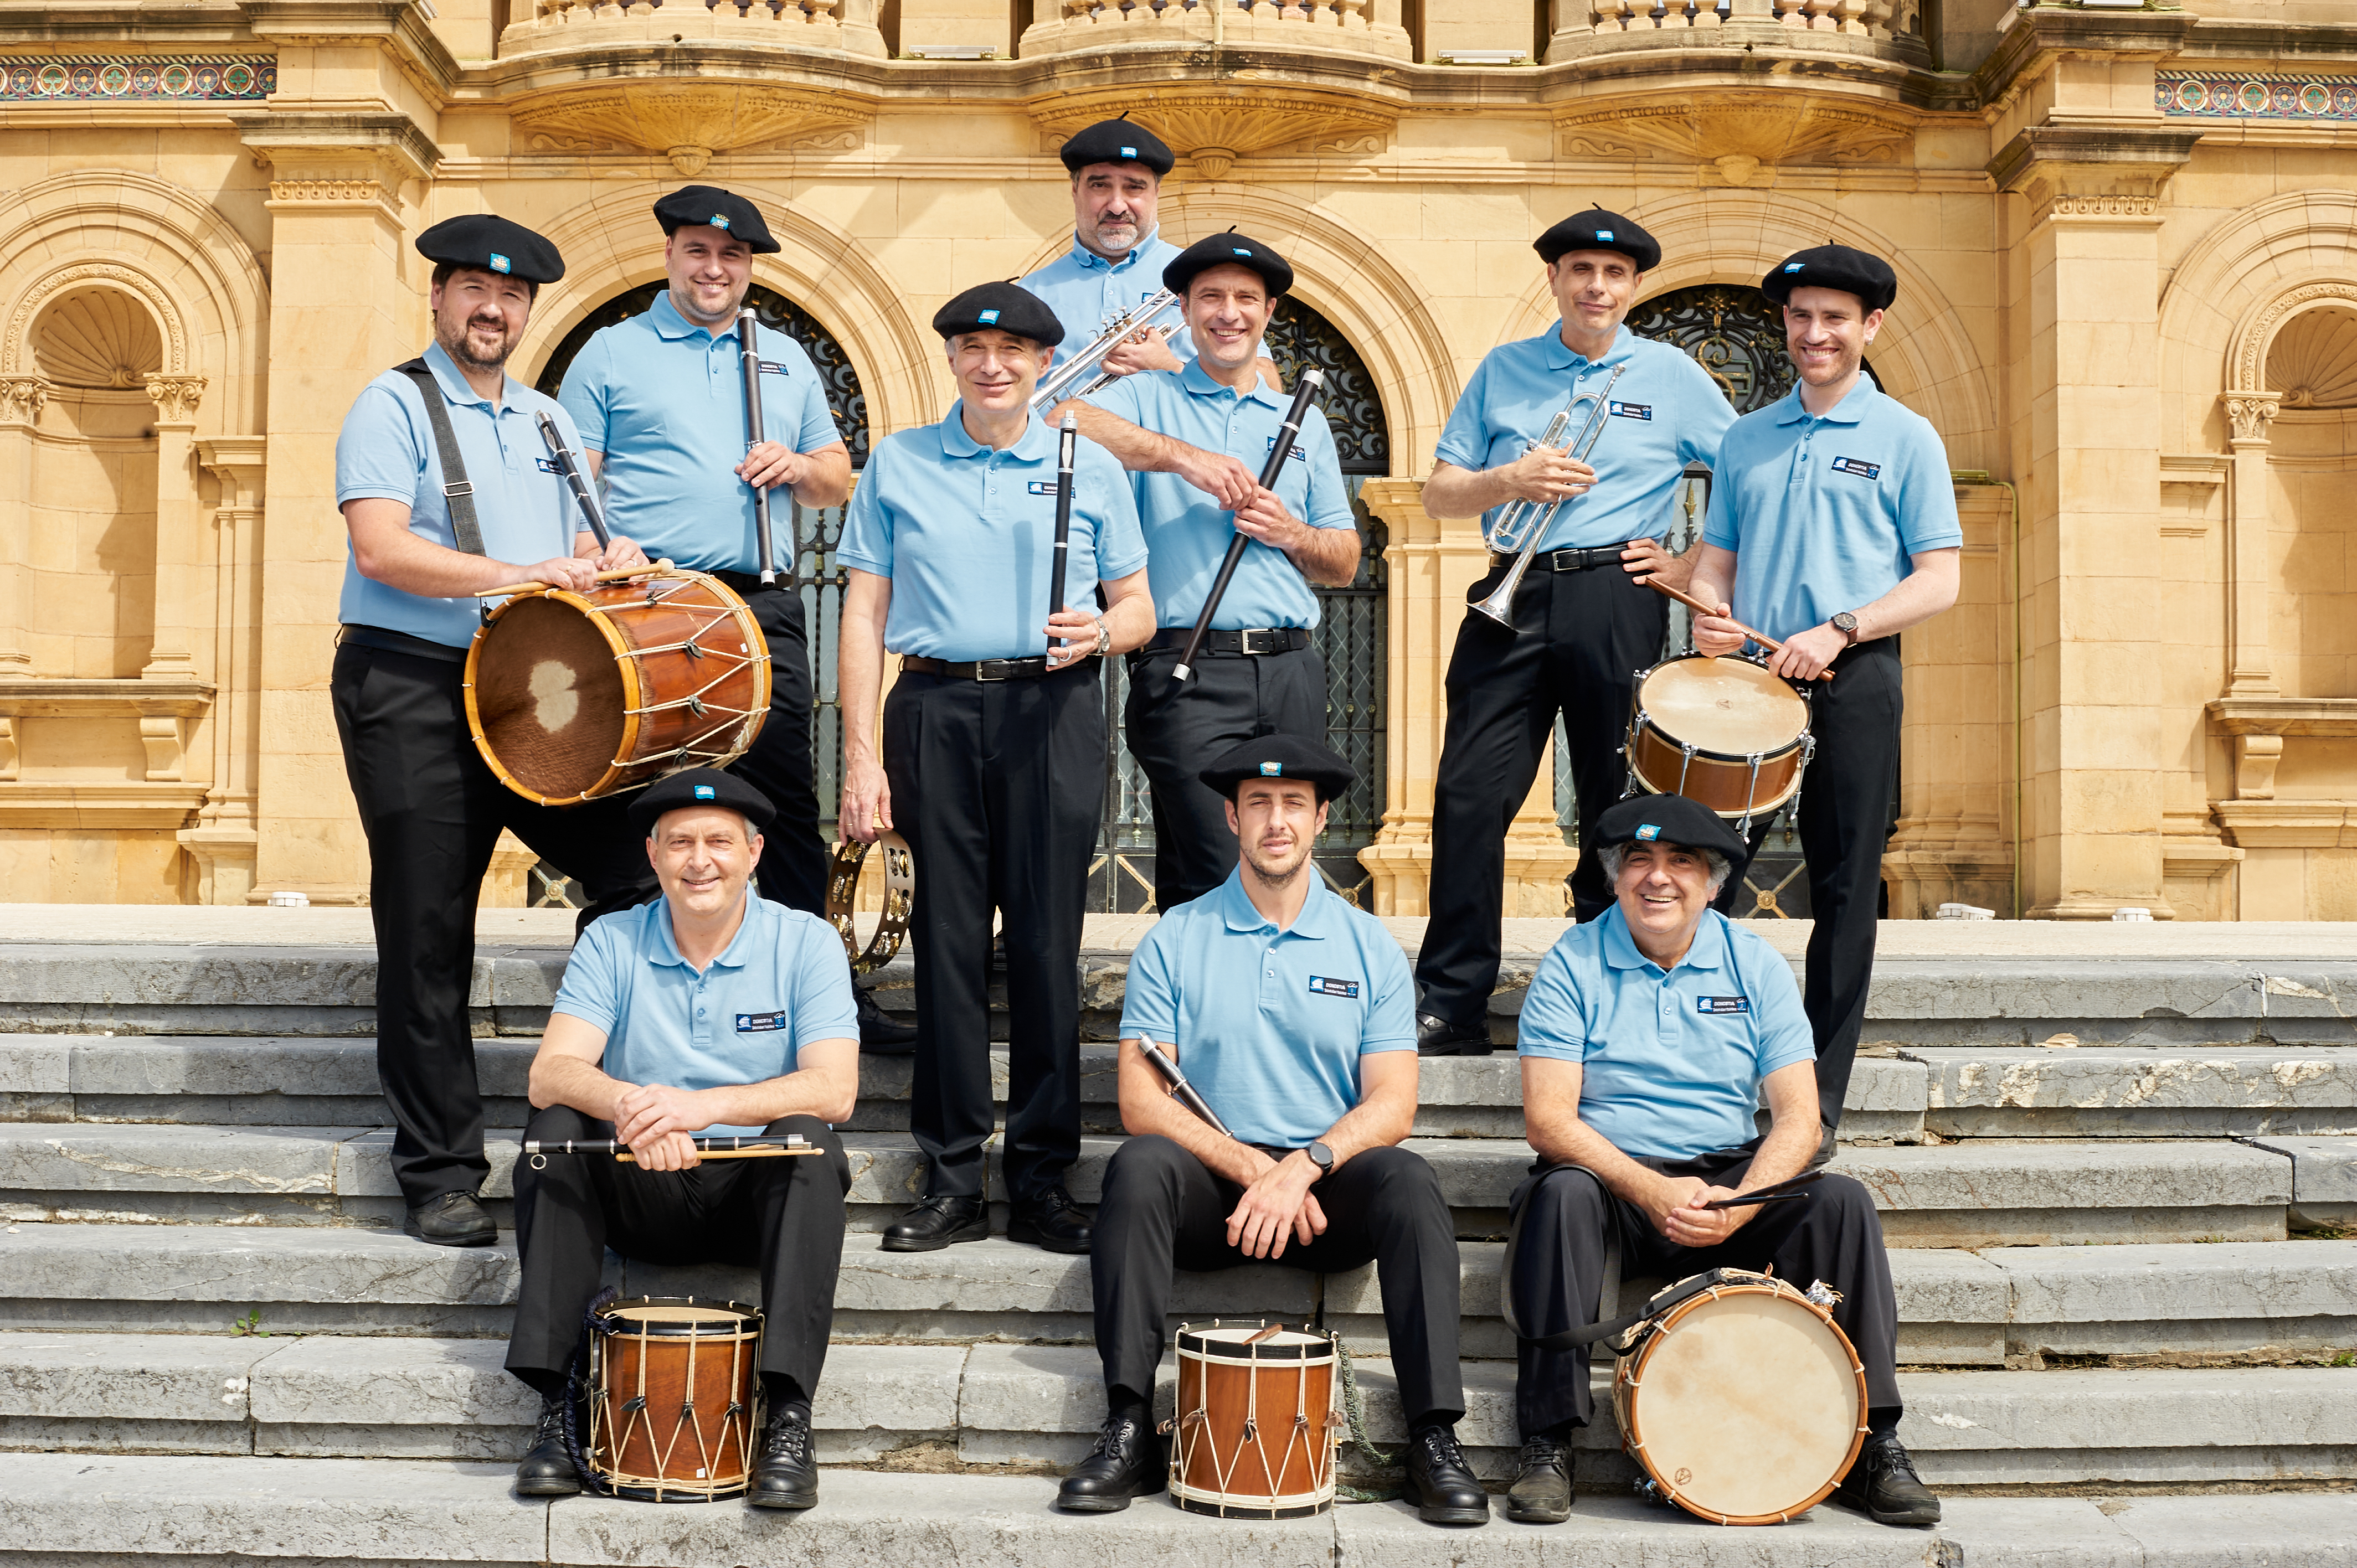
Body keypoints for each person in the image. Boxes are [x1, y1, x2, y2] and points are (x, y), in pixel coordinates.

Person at [1057, 735, 1487, 1528]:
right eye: (1258, 804)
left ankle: (1434, 1436)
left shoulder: (1369, 946)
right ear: (1232, 818)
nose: (1276, 821)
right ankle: (1127, 1424)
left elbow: (1393, 1103)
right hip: (1212, 1194)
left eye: (1294, 805)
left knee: (1409, 1180)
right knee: (1139, 1165)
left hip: (1325, 1198)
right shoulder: (1175, 936)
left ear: (1321, 820)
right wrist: (1252, 1168)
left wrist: (1302, 1167)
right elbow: (1142, 1100)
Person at [331, 214, 658, 1247]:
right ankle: (439, 1172)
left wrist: (614, 557)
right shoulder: (390, 403)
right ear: (438, 298)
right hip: (412, 680)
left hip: (527, 683)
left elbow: (583, 544)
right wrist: (523, 574)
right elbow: (381, 550)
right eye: (474, 288)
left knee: (639, 867)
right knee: (429, 927)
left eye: (512, 295)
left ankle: (592, 1099)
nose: (493, 308)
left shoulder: (549, 420)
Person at [1500, 792, 1937, 1528]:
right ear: (1614, 878)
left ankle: (1873, 1443)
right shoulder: (1573, 962)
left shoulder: (1753, 963)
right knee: (1558, 1194)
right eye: (1638, 860)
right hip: (1614, 1182)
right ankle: (1548, 1442)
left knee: (1841, 1202)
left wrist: (1738, 1205)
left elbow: (1800, 1118)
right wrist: (1650, 1189)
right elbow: (1548, 1121)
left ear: (1711, 884)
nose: (1657, 878)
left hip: (1729, 1178)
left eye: (1681, 862)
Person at [836, 281, 1157, 1255]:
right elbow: (863, 612)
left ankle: (1043, 1176)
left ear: (1041, 363)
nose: (992, 365)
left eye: (1013, 350)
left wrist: (1101, 633)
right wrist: (860, 756)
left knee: (1049, 946)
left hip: (1051, 708)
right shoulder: (899, 462)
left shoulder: (1089, 464)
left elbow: (1140, 607)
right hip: (932, 707)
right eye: (974, 349)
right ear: (952, 360)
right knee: (946, 946)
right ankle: (951, 1178)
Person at [555, 185, 912, 1051]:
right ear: (670, 256)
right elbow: (571, 487)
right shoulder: (610, 352)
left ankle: (825, 996)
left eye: (733, 256)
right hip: (647, 603)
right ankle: (635, 989)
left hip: (761, 604)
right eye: (698, 251)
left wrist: (797, 465)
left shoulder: (784, 357)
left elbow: (836, 477)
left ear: (749, 268)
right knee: (640, 791)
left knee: (784, 796)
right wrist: (595, 557)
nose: (715, 269)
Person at [1414, 208, 1737, 1059]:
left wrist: (1687, 563)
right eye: (1581, 272)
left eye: (1614, 274)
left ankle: (1609, 992)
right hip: (1511, 591)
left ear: (1634, 286)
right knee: (1468, 796)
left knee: (1614, 801)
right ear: (1554, 279)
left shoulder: (1671, 374)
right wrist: (1508, 478)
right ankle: (1450, 1000)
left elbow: (1748, 476)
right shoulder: (1504, 369)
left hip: (1613, 595)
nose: (1597, 287)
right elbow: (1439, 492)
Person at [506, 767, 860, 1512]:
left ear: (754, 852)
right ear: (653, 855)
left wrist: (699, 1109)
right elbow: (551, 1072)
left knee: (809, 1140)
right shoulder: (612, 939)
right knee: (554, 1129)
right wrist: (636, 1109)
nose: (700, 861)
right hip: (645, 1182)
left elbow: (835, 1089)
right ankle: (557, 1408)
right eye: (680, 844)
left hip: (752, 1195)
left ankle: (788, 1417)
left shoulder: (807, 941)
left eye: (719, 843)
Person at [1687, 244, 1962, 1138]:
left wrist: (1842, 626)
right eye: (1801, 316)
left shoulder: (1907, 437)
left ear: (1869, 325)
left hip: (1855, 677)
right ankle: (1694, 1065)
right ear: (1785, 322)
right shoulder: (1746, 438)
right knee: (1701, 869)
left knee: (1844, 890)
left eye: (1835, 318)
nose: (1816, 333)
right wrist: (1712, 614)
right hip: (1749, 684)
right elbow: (1716, 563)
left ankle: (1815, 1103)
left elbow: (1940, 579)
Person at [1052, 232, 1361, 910]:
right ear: (1186, 312)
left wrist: (1289, 531)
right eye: (1211, 297)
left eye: (1245, 298)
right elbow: (1061, 419)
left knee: (1276, 865)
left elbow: (1343, 561)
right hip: (1186, 667)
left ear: (1268, 312)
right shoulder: (1146, 394)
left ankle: (1226, 978)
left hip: (1291, 669)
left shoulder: (1301, 421)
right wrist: (1184, 458)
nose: (1228, 312)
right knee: (1217, 865)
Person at [1020, 118, 1191, 376]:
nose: (1117, 206)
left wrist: (1170, 369)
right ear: (1075, 190)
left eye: (1134, 187)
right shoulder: (1030, 294)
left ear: (1156, 192)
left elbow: (1254, 382)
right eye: (1100, 186)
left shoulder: (1200, 277)